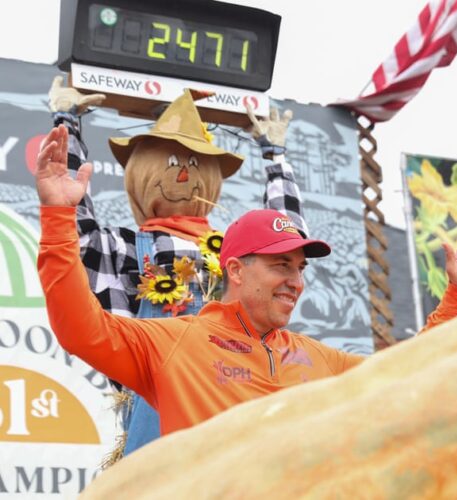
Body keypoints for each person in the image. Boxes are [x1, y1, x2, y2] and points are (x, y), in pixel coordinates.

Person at [35, 125, 457, 436]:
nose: (296, 281)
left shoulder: (317, 358)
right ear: (235, 270)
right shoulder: (173, 343)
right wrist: (59, 215)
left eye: (301, 268)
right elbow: (81, 328)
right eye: (281, 265)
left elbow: (407, 371)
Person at [48, 78, 306, 453]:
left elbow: (287, 244)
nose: (184, 176)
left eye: (193, 164)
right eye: (171, 164)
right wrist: (66, 122)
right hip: (160, 426)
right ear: (142, 175)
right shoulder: (122, 248)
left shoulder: (231, 250)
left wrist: (275, 157)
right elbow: (74, 225)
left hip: (239, 412)